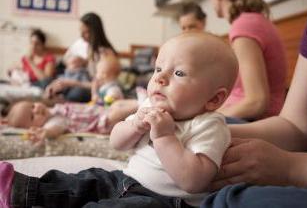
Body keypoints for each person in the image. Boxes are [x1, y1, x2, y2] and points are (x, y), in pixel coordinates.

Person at [0, 32, 238, 208]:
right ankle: (17, 188)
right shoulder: (149, 106)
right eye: (158, 69)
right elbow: (117, 142)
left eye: (179, 73)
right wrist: (134, 126)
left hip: (164, 201)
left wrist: (165, 137)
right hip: (124, 180)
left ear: (214, 99)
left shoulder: (209, 125)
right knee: (85, 181)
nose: (161, 78)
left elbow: (193, 181)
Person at [199, 9, 307, 208]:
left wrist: (290, 167)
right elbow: (297, 126)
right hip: (286, 136)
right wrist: (209, 130)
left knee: (229, 198)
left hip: (298, 160)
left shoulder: (243, 27)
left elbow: (257, 101)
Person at [210, 0, 287, 123]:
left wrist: (209, 116)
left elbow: (257, 101)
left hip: (256, 121)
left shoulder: (244, 26)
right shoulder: (254, 21)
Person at [46, 12, 119, 102]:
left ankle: (64, 101)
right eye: (81, 31)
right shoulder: (90, 48)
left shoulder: (106, 53)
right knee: (53, 84)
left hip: (95, 88)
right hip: (86, 82)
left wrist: (71, 83)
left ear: (95, 32)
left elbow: (100, 84)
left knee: (76, 94)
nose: (81, 35)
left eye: (86, 32)